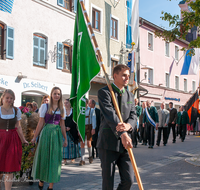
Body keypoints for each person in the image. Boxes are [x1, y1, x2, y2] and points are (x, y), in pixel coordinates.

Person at [97, 64, 137, 190]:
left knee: (129, 180)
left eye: (128, 76)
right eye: (124, 75)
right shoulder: (104, 92)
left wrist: (129, 125)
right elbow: (110, 115)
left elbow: (134, 115)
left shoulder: (130, 95)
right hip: (108, 143)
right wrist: (123, 134)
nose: (127, 78)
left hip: (125, 146)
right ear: (115, 76)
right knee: (108, 183)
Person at [31, 87, 67, 190]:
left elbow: (62, 124)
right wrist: (35, 137)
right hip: (46, 133)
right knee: (44, 157)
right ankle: (42, 179)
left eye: (58, 94)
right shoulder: (45, 106)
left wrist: (65, 138)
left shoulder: (62, 108)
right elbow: (41, 122)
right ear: (51, 95)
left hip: (56, 134)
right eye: (55, 93)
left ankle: (50, 187)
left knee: (55, 159)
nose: (57, 95)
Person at [0, 89, 28, 190]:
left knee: (9, 168)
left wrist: (23, 140)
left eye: (11, 98)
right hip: (1, 139)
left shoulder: (16, 111)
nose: (9, 100)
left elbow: (18, 127)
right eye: (7, 98)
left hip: (12, 140)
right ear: (2, 98)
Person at [62, 99, 81, 165]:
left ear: (70, 104)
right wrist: (64, 127)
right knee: (64, 145)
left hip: (72, 129)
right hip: (64, 130)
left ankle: (72, 158)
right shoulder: (63, 111)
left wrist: (69, 127)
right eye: (64, 103)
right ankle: (64, 159)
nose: (65, 104)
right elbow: (61, 120)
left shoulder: (73, 111)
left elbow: (74, 120)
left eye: (67, 103)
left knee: (72, 145)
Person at [79, 98, 96, 166]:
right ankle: (82, 159)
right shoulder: (80, 111)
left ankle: (90, 156)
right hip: (82, 127)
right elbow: (79, 120)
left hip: (89, 127)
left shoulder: (91, 110)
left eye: (85, 103)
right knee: (82, 143)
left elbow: (93, 119)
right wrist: (78, 129)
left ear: (87, 103)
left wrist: (93, 128)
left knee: (89, 143)